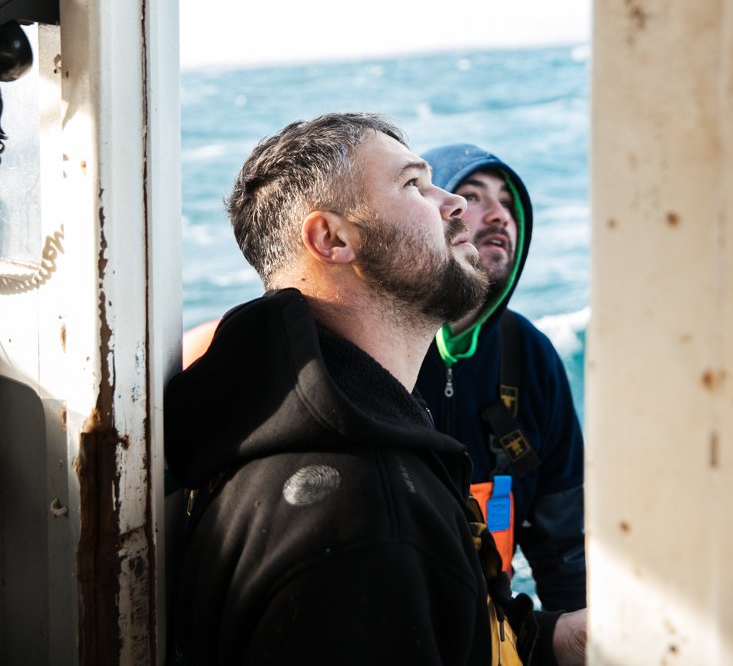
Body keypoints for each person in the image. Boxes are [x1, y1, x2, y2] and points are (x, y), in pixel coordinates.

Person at [165, 114, 585, 665]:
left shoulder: (294, 431)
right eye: (414, 184)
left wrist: (558, 640)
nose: (454, 204)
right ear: (332, 238)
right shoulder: (369, 520)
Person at [415, 143, 586, 614]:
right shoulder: (375, 344)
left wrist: (573, 636)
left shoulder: (531, 354)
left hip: (496, 626)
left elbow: (564, 547)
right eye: (472, 196)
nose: (499, 215)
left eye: (509, 204)